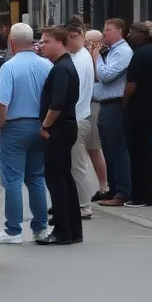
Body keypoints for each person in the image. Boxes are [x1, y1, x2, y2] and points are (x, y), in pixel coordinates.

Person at [0, 24, 53, 245]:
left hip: (15, 126)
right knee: (36, 177)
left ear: (11, 41)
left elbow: (1, 103)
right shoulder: (46, 65)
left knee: (13, 180)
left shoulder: (9, 67)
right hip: (41, 124)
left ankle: (13, 230)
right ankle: (41, 228)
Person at [35, 27, 81, 245]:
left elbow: (58, 103)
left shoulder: (62, 68)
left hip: (59, 128)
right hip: (65, 127)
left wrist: (45, 125)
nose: (42, 46)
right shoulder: (63, 66)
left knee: (56, 180)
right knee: (65, 178)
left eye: (46, 42)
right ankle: (73, 230)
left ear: (60, 43)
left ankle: (63, 231)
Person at [92, 18, 132, 207]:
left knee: (117, 149)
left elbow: (106, 76)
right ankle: (113, 188)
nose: (104, 33)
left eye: (108, 30)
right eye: (104, 28)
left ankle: (122, 192)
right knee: (108, 149)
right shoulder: (111, 51)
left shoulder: (123, 52)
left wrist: (96, 57)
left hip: (115, 105)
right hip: (105, 104)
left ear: (119, 31)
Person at [124, 22, 152, 208]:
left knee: (139, 152)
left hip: (139, 108)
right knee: (144, 150)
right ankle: (145, 194)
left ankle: (141, 195)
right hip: (149, 106)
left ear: (142, 34)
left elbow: (132, 84)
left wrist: (124, 103)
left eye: (133, 32)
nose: (130, 35)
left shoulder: (141, 54)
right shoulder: (151, 51)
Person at [66, 24, 98, 221]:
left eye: (68, 38)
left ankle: (84, 206)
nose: (66, 42)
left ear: (77, 36)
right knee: (75, 164)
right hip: (81, 115)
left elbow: (74, 92)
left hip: (77, 117)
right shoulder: (80, 56)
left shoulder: (80, 60)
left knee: (77, 165)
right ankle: (77, 203)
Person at [82, 29, 109, 203]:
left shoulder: (101, 56)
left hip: (93, 104)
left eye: (89, 42)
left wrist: (95, 55)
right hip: (86, 103)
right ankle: (103, 185)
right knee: (90, 149)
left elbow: (100, 76)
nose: (87, 45)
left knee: (93, 147)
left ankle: (103, 185)